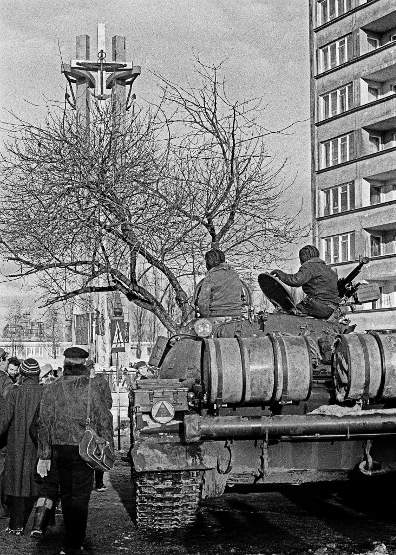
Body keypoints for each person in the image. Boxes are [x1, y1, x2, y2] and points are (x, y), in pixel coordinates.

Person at [33, 346, 113, 555]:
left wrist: (44, 455)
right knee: (80, 498)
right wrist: (108, 448)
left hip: (59, 449)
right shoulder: (93, 388)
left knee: (67, 495)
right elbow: (105, 419)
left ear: (65, 362)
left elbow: (44, 424)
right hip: (83, 449)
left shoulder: (51, 388)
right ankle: (74, 544)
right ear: (84, 364)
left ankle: (70, 541)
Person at [0, 358, 42, 535]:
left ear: (22, 373)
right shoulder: (45, 392)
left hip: (16, 444)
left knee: (17, 483)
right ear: (38, 374)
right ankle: (39, 525)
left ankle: (16, 524)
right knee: (41, 484)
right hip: (39, 445)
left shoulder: (14, 392)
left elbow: (3, 422)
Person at [270, 244, 340, 319]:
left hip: (316, 305)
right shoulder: (330, 270)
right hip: (331, 309)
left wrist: (280, 274)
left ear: (303, 257)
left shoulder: (309, 266)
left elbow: (296, 280)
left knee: (290, 314)